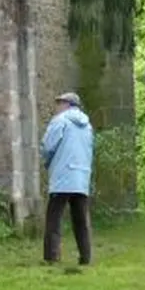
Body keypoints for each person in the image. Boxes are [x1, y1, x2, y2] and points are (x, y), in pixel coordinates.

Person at [40, 92, 95, 266]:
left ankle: (52, 256)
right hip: (81, 176)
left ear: (68, 104)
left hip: (63, 176)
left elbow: (48, 146)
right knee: (81, 220)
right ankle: (85, 256)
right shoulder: (88, 126)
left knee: (54, 218)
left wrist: (47, 163)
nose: (57, 106)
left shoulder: (60, 121)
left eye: (60, 102)